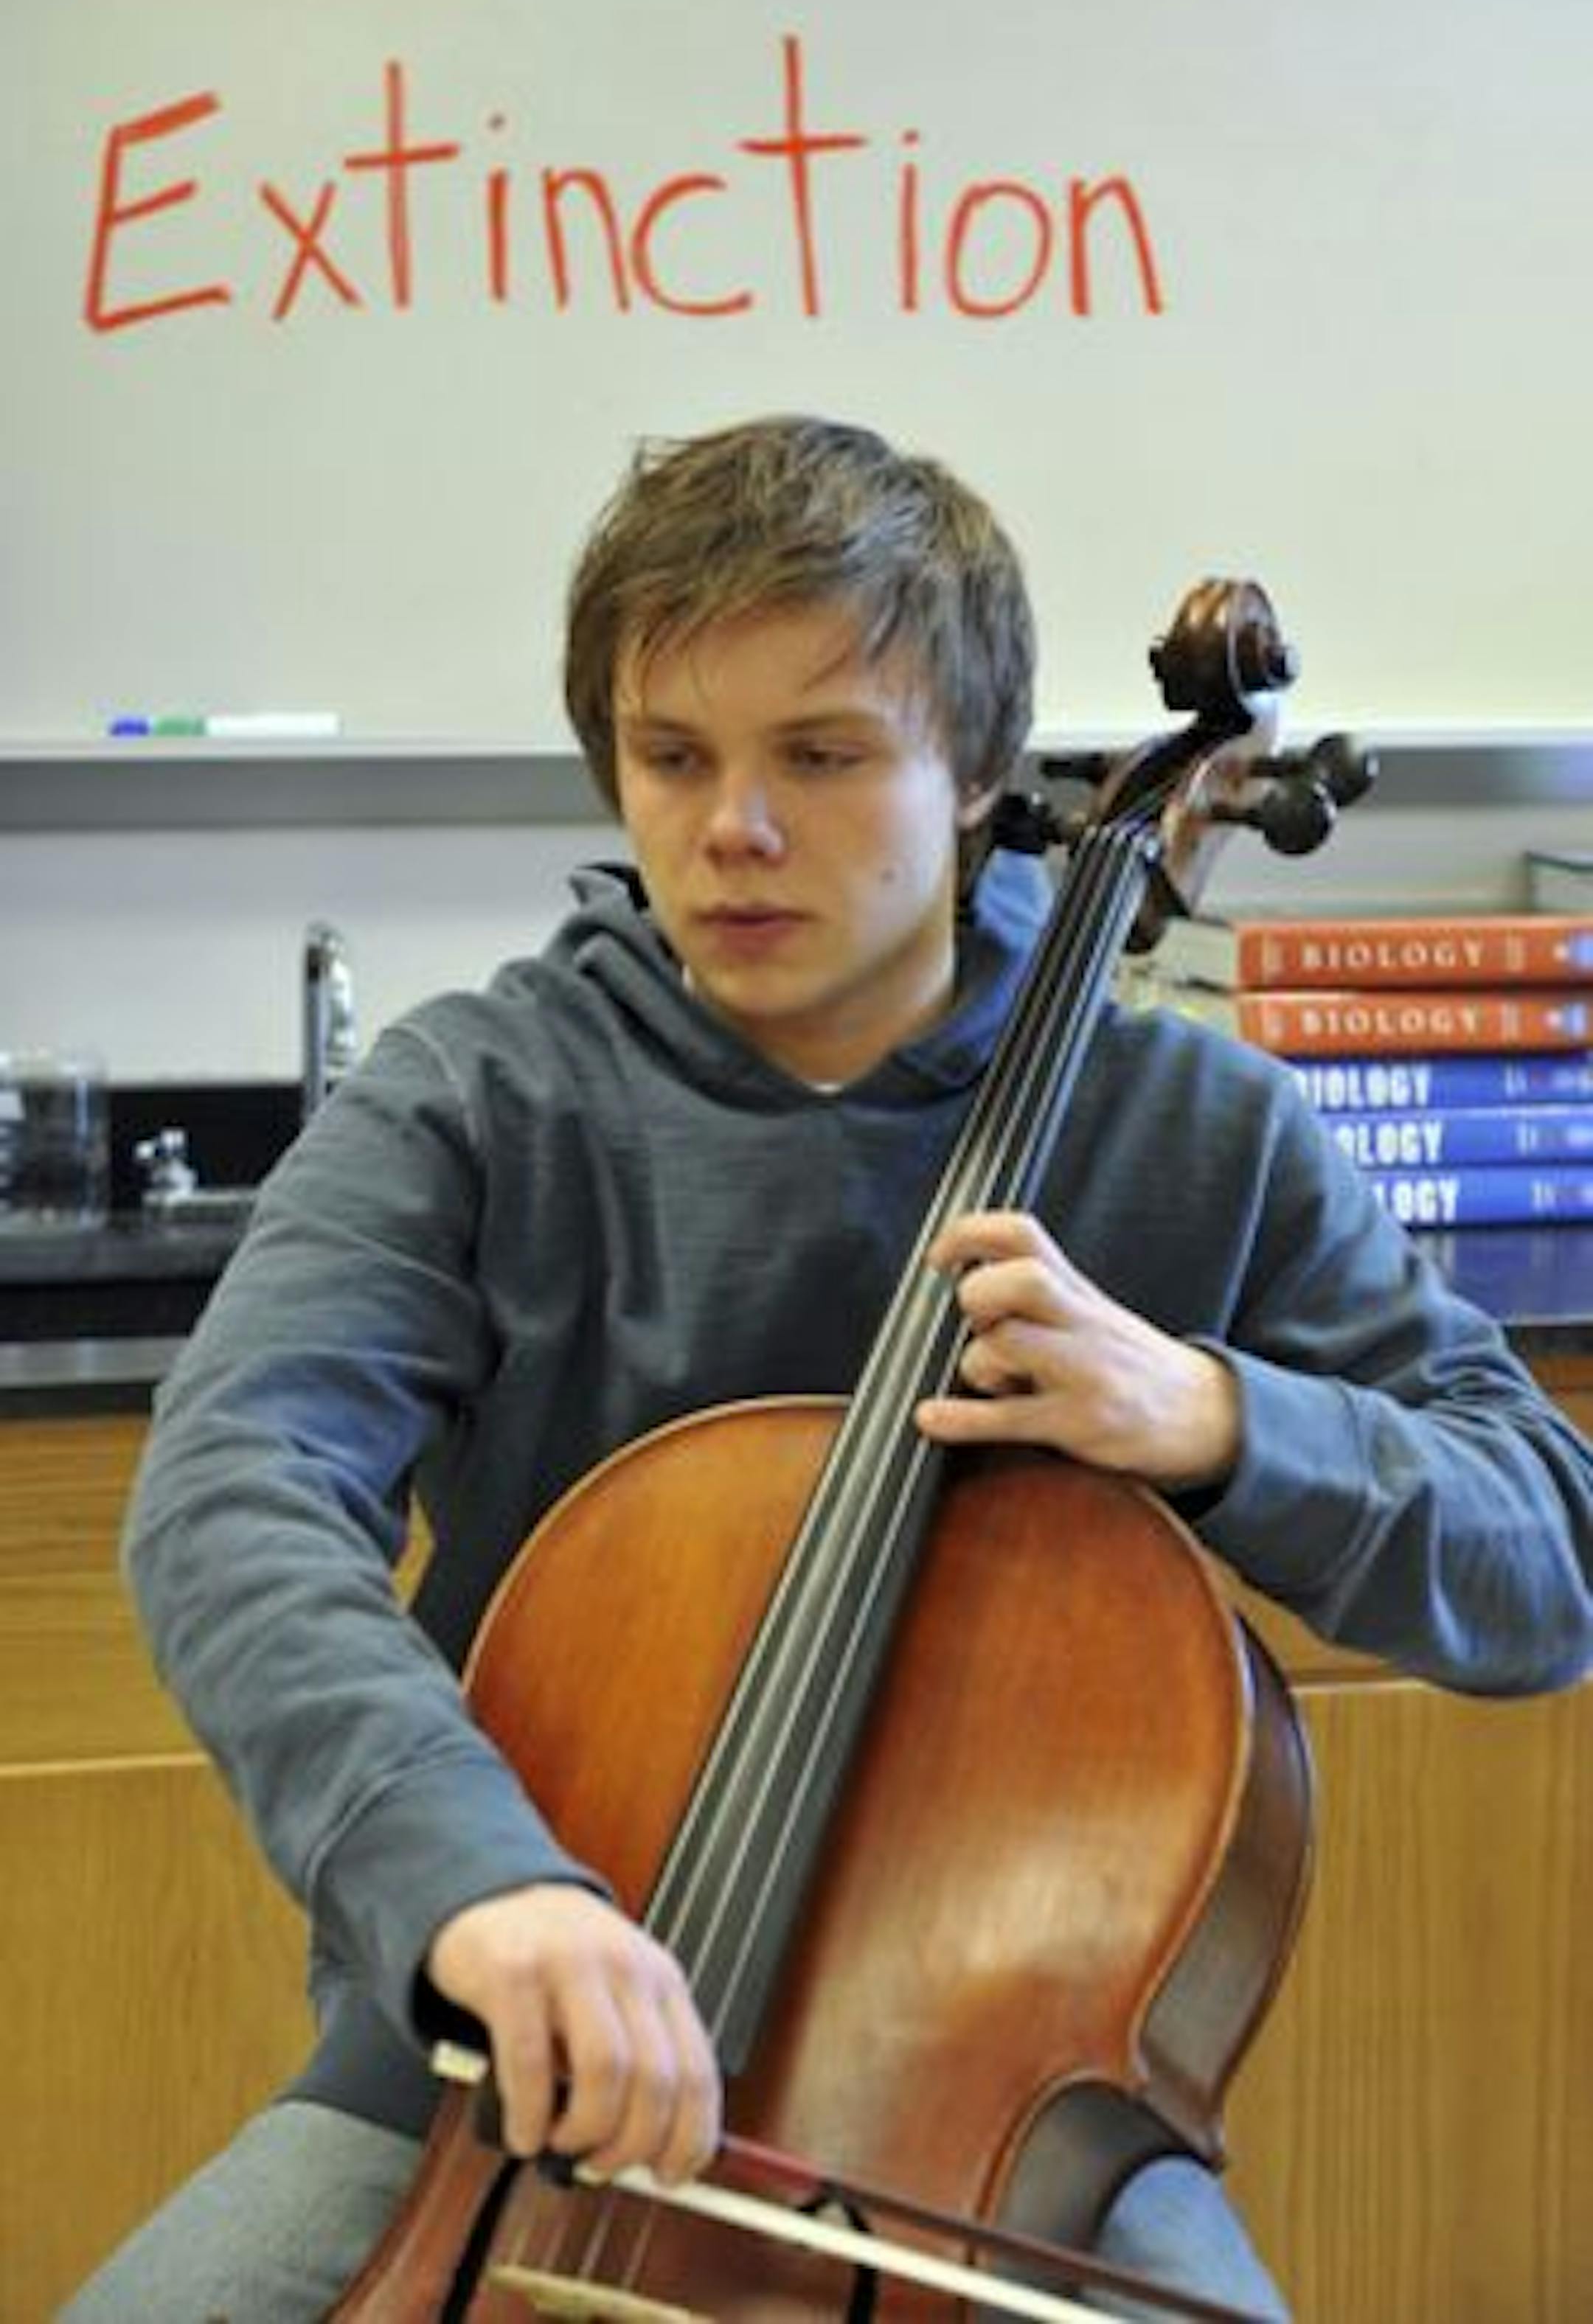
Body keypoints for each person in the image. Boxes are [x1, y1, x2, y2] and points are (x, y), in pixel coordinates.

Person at [66, 415, 1593, 2323]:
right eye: (673, 755)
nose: (734, 830)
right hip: (485, 2099)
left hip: (1007, 2152)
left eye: (824, 754)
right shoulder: (479, 1096)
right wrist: (481, 1888)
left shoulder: (1185, 1121)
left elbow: (1552, 1555)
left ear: (972, 779)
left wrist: (1213, 1417)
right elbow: (233, 1498)